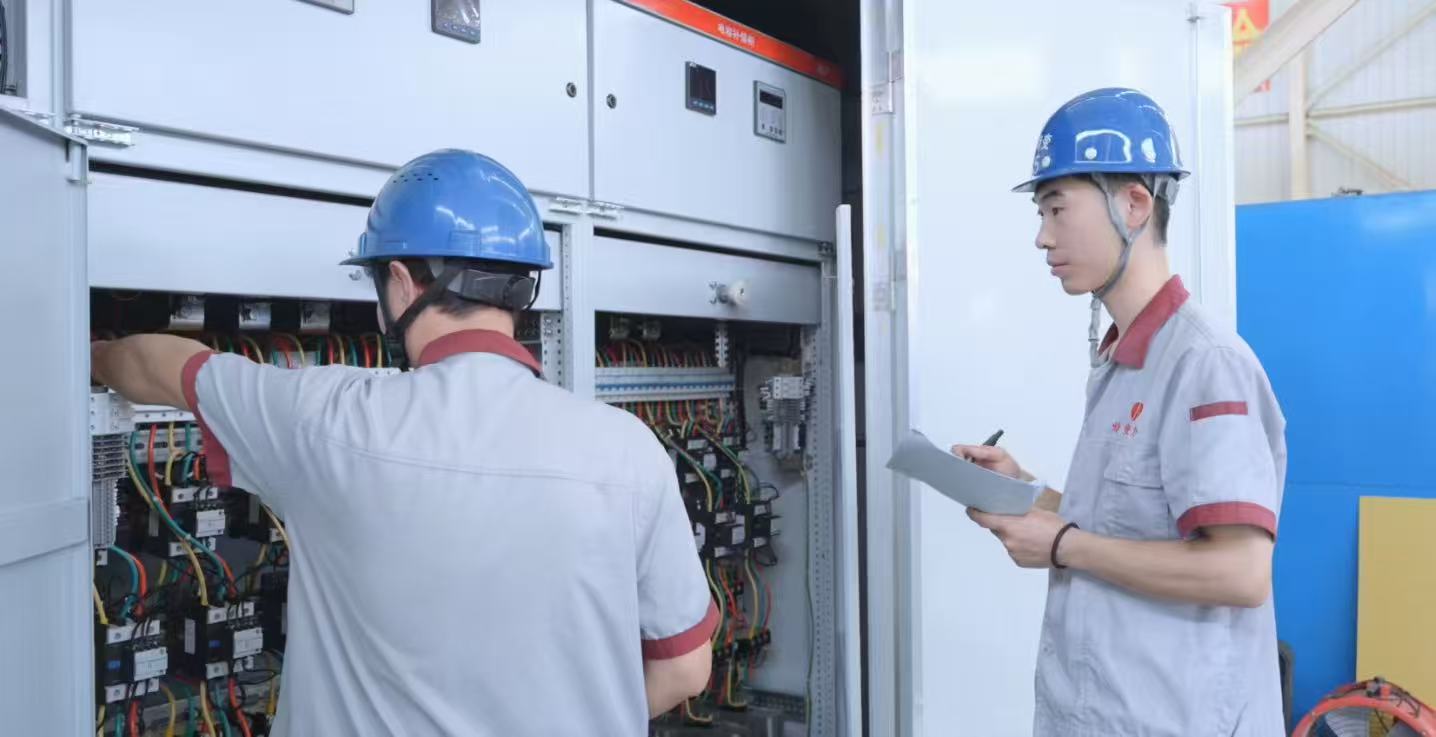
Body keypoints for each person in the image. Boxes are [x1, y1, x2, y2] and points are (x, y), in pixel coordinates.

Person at [91, 150, 717, 736]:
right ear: (523, 290)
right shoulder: (629, 451)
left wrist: (88, 350)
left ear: (400, 282)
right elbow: (686, 670)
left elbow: (156, 366)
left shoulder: (325, 419)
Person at [954, 89, 1287, 735]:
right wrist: (1024, 490)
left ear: (1134, 204)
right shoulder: (1126, 359)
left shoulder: (1205, 363)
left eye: (1058, 209)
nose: (1042, 236)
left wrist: (1061, 545)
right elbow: (1128, 522)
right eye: (1041, 212)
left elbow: (1239, 571)